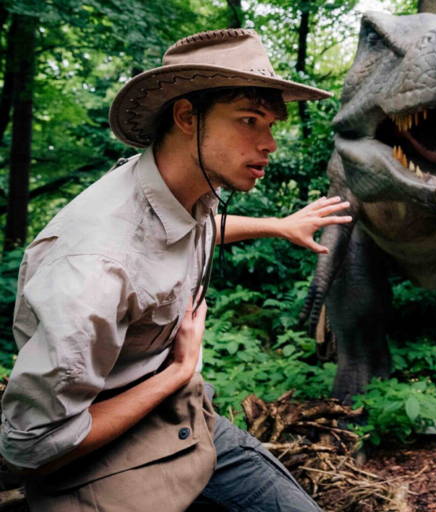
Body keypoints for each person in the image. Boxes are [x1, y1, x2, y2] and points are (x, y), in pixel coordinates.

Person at [0, 29, 349, 511]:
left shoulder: (183, 186)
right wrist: (180, 370)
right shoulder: (94, 265)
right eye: (250, 120)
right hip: (93, 459)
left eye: (270, 124)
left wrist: (277, 225)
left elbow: (188, 231)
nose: (269, 143)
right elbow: (32, 448)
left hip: (187, 418)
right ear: (187, 116)